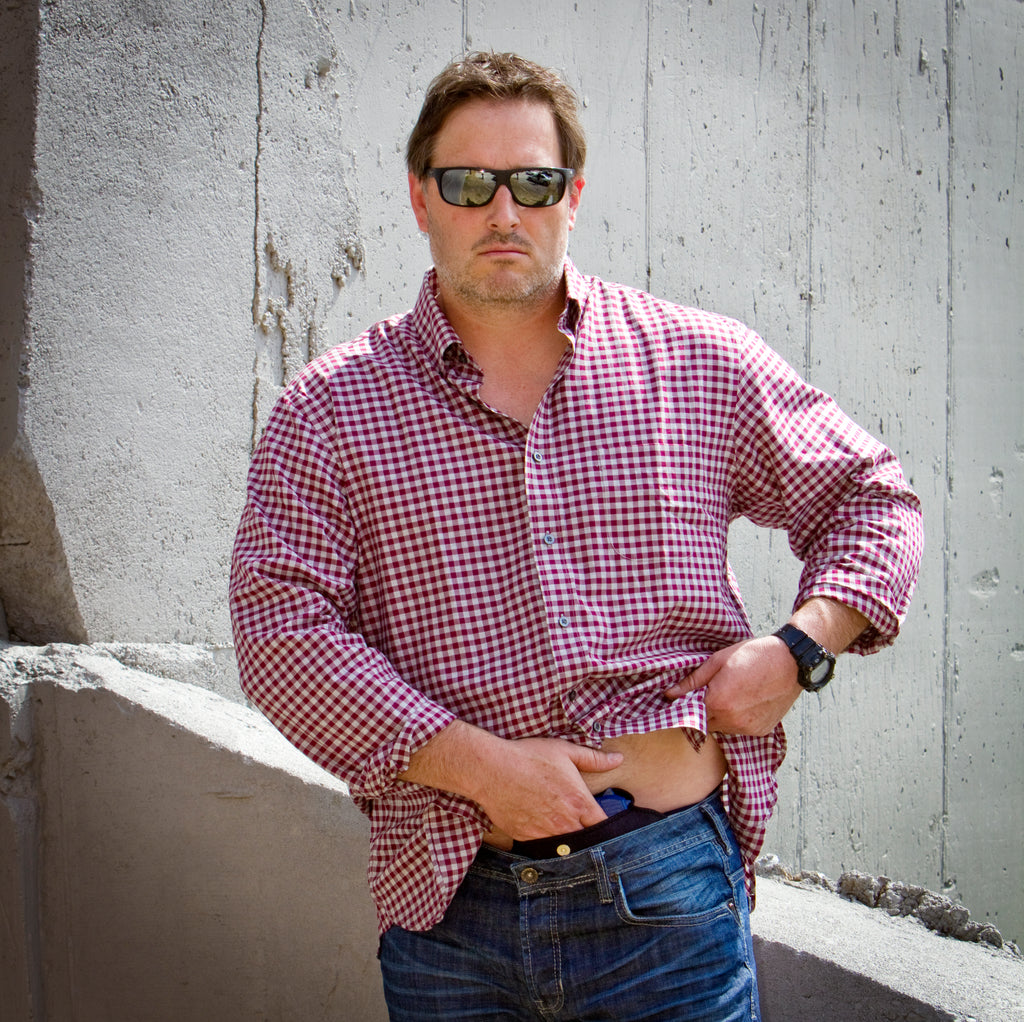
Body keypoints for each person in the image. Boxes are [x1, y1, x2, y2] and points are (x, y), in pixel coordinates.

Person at [229, 51, 924, 1021]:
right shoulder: (333, 408)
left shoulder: (694, 360)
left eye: (534, 181)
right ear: (420, 197)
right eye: (469, 184)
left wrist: (799, 647)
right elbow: (279, 629)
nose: (503, 213)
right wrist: (478, 766)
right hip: (448, 916)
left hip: (666, 895)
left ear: (573, 193)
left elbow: (871, 497)